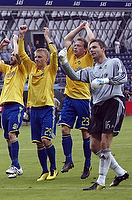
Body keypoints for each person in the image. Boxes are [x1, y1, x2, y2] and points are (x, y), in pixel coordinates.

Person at [59, 39, 129, 190]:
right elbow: (74, 76)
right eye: (90, 48)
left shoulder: (114, 62)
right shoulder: (91, 70)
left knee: (104, 143)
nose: (92, 50)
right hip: (97, 106)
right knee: (94, 146)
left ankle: (100, 181)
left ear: (103, 49)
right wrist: (64, 62)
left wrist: (105, 81)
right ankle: (120, 172)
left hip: (113, 102)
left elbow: (124, 78)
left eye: (94, 47)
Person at [19, 25, 58, 181]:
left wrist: (47, 37)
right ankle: (44, 171)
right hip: (34, 110)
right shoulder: (32, 69)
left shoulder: (50, 69)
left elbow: (55, 52)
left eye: (40, 57)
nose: (36, 59)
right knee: (38, 143)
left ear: (46, 59)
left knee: (45, 139)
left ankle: (54, 169)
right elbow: (22, 54)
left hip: (47, 108)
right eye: (35, 57)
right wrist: (21, 36)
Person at [59, 21, 94, 179]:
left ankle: (87, 164)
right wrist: (79, 28)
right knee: (64, 129)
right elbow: (67, 39)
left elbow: (93, 41)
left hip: (83, 99)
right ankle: (68, 160)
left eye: (79, 45)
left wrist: (87, 28)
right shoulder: (71, 55)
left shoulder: (88, 58)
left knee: (85, 133)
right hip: (69, 98)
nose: (75, 47)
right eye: (75, 45)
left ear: (85, 49)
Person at [0, 34, 28, 178]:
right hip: (5, 107)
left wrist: (14, 41)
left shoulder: (22, 69)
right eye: (10, 54)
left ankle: (15, 165)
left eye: (13, 55)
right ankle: (16, 166)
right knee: (7, 138)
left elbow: (18, 55)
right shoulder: (8, 69)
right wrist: (1, 46)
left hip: (16, 105)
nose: (12, 56)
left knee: (12, 134)